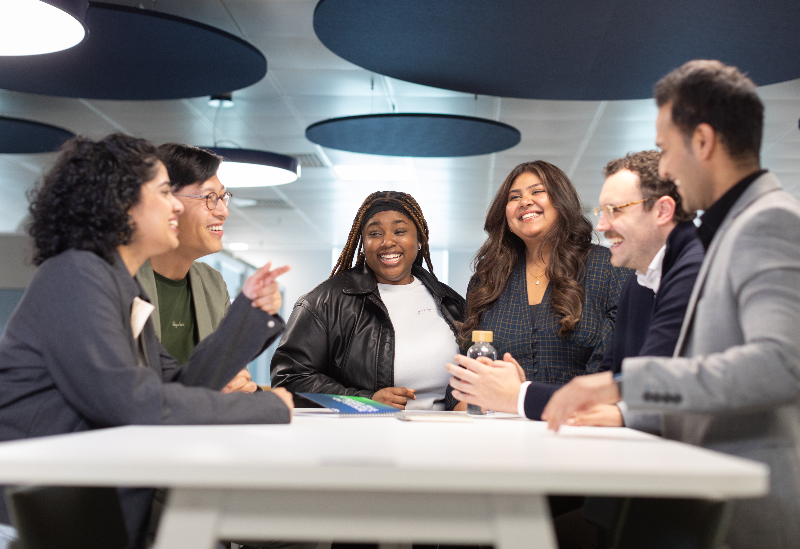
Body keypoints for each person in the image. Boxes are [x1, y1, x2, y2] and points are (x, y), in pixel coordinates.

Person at [542, 60, 800, 549]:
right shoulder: (727, 229)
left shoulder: (769, 221)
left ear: (702, 142)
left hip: (748, 508)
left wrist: (624, 385)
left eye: (664, 149)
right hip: (707, 490)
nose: (663, 169)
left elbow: (782, 364)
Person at [0, 134, 293, 549]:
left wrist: (247, 315)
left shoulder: (121, 285)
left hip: (82, 499)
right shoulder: (77, 274)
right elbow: (132, 402)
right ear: (120, 205)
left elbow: (180, 385)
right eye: (162, 192)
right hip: (37, 513)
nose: (175, 203)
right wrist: (263, 407)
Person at [447, 152, 703, 433]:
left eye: (616, 210)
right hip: (501, 429)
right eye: (514, 196)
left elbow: (649, 380)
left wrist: (519, 394)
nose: (603, 226)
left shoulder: (640, 269)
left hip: (580, 429)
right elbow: (626, 376)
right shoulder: (642, 278)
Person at [446, 160, 628, 414]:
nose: (525, 201)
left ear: (561, 201)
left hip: (579, 426)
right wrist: (468, 402)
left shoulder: (607, 267)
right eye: (514, 196)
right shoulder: (487, 280)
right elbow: (466, 372)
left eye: (537, 191)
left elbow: (609, 370)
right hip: (498, 435)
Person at [271, 191, 465, 410]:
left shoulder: (451, 303)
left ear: (419, 239)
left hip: (443, 437)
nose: (388, 242)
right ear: (363, 243)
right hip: (364, 438)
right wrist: (362, 399)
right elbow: (289, 379)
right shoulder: (324, 302)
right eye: (375, 233)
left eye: (400, 231)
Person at [136, 143, 254, 393]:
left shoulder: (212, 283)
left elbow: (229, 371)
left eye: (223, 197)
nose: (223, 211)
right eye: (209, 198)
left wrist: (240, 385)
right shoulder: (118, 277)